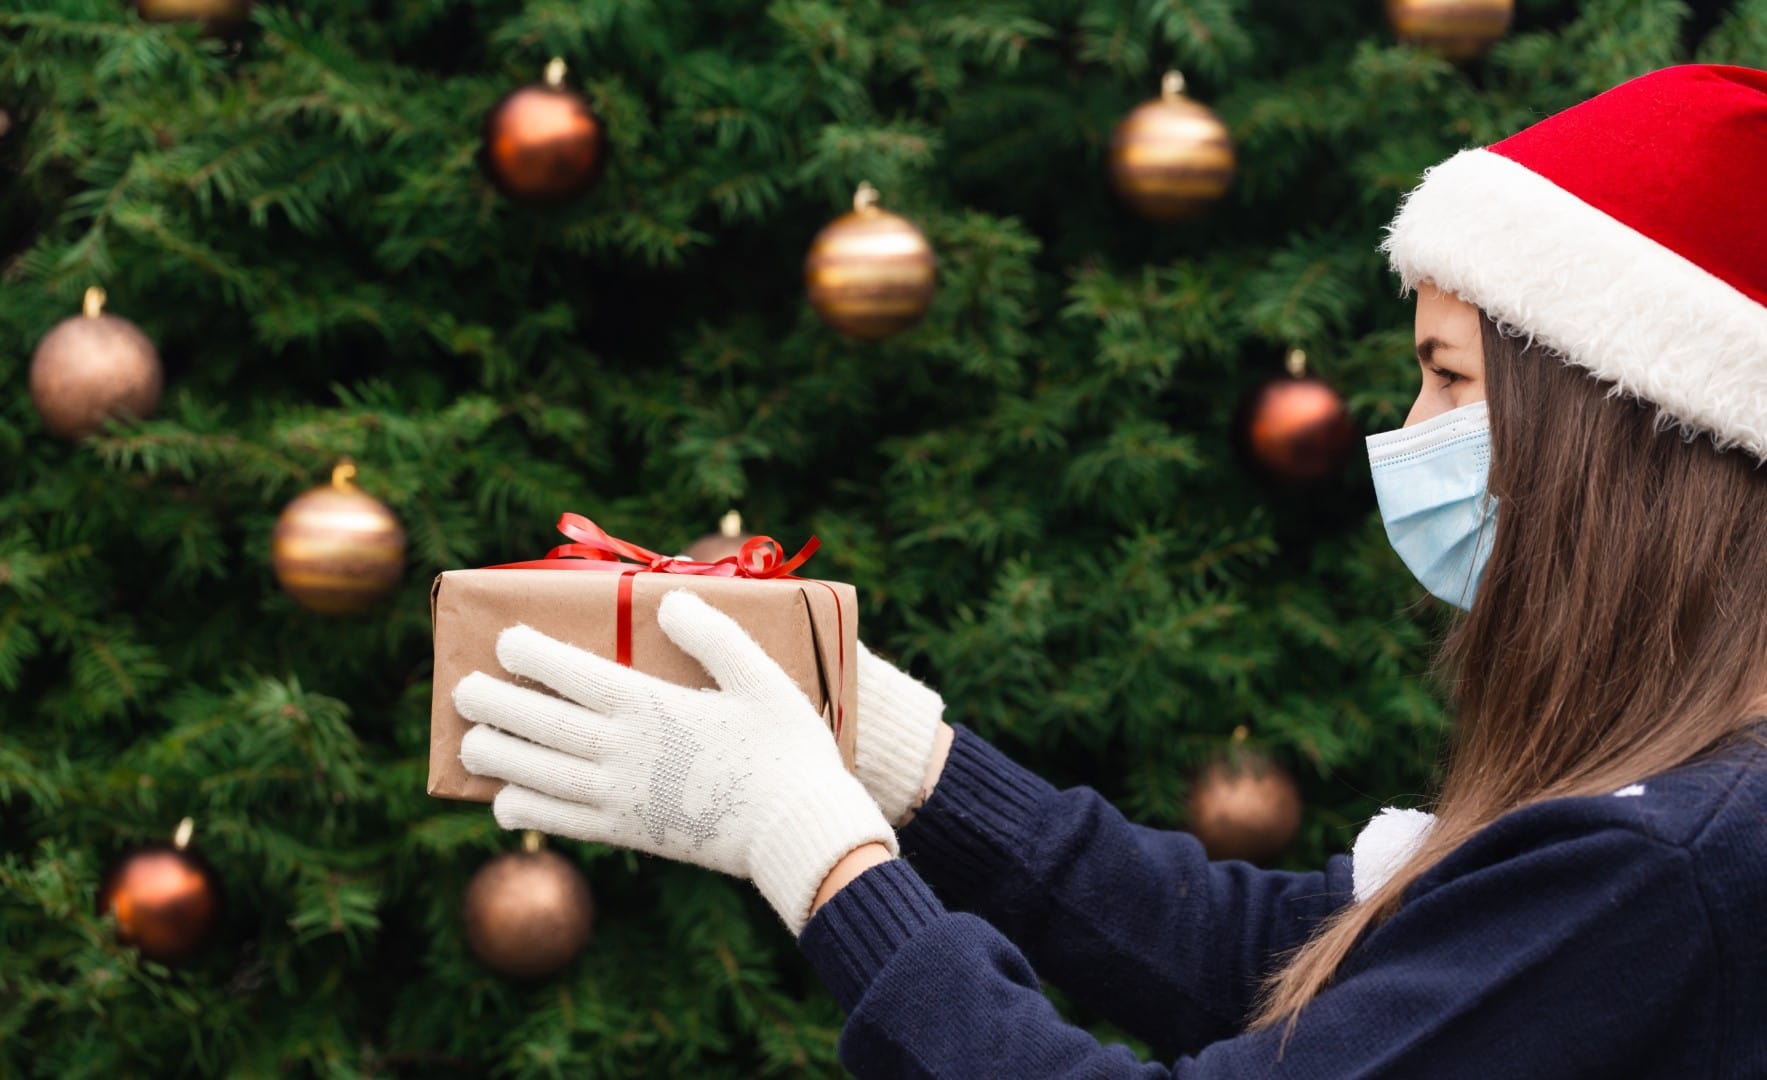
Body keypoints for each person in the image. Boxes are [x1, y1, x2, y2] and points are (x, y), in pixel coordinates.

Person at [451, 64, 1767, 1077]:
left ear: (1626, 434)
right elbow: (1280, 963)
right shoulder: (1681, 809)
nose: (1408, 437)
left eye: (1448, 376)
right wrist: (905, 759)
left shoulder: (1660, 867)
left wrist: (812, 848)